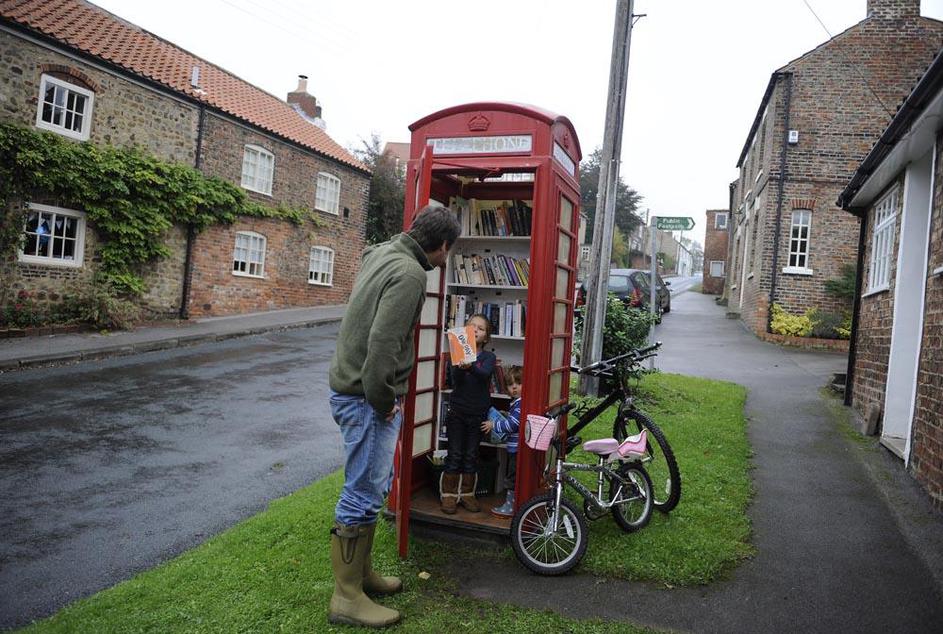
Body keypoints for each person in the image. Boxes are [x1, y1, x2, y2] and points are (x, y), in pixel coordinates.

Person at [327, 204, 460, 628]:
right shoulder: (411, 274)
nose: (445, 260)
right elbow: (384, 346)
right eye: (447, 252)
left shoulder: (381, 252)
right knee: (362, 492)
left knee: (367, 488)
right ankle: (346, 597)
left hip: (350, 389)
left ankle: (361, 576)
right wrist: (384, 403)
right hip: (368, 398)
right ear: (440, 246)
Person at [439, 314, 496, 515]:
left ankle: (467, 494)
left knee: (471, 454)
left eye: (480, 328)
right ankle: (449, 495)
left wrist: (470, 365)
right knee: (454, 453)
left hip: (477, 414)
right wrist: (462, 368)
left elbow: (484, 375)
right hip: (457, 412)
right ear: (465, 331)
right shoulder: (458, 352)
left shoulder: (488, 358)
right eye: (471, 326)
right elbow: (455, 380)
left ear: (486, 337)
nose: (475, 329)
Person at [481, 365, 522, 517]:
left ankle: (510, 506)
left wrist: (494, 424)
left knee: (511, 478)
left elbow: (513, 425)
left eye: (518, 384)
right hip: (515, 447)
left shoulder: (519, 404)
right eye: (511, 385)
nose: (515, 388)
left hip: (517, 448)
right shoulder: (517, 403)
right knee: (513, 476)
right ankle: (515, 504)